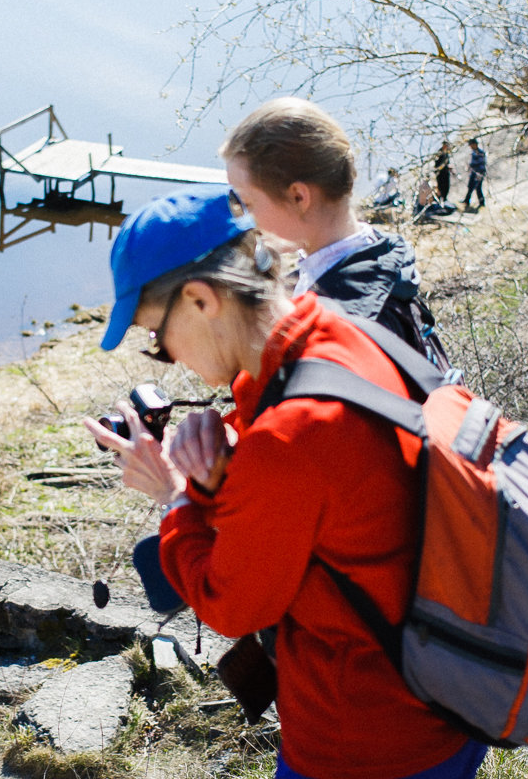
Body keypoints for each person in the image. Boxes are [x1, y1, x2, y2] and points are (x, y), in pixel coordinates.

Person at [85, 186, 487, 779]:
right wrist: (220, 469)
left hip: (365, 743)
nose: (165, 352)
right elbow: (323, 504)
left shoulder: (290, 435)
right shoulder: (334, 330)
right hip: (440, 704)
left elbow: (231, 604)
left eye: (157, 339)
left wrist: (175, 501)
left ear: (200, 300)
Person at [220, 96, 451, 370]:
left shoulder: (347, 323)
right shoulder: (381, 261)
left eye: (247, 202)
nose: (243, 218)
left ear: (298, 197)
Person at [461, 138, 487, 209]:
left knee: (478, 188)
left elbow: (481, 164)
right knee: (470, 187)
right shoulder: (473, 153)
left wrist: (473, 167)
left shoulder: (480, 152)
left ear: (475, 144)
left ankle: (482, 203)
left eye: (471, 145)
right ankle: (466, 201)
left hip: (479, 173)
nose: (470, 147)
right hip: (473, 173)